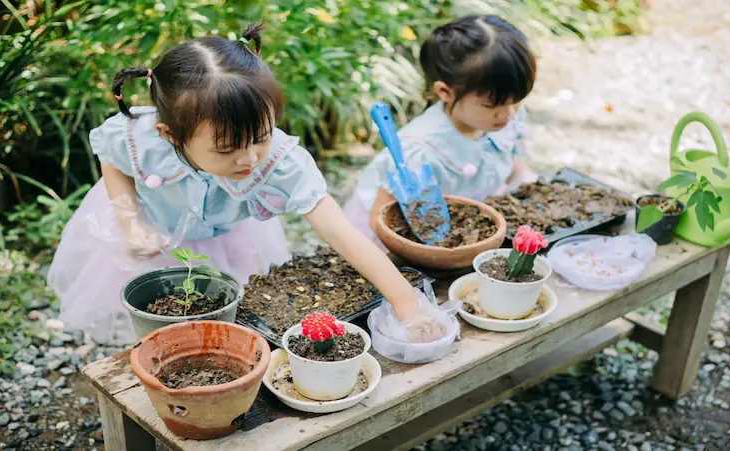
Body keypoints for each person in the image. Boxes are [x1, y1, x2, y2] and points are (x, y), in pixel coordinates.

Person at [47, 25, 443, 345]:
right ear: (171, 135)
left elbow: (340, 232)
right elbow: (113, 162)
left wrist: (406, 303)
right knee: (151, 312)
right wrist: (131, 222)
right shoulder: (140, 136)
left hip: (224, 237)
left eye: (261, 136)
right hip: (154, 227)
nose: (250, 158)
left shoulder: (282, 164)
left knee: (221, 317)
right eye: (227, 149)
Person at [343, 15, 538, 247]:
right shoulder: (418, 151)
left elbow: (507, 158)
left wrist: (528, 187)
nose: (509, 114)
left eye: (516, 101)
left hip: (464, 223)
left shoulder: (500, 120)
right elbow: (381, 220)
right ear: (445, 92)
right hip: (392, 241)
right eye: (492, 105)